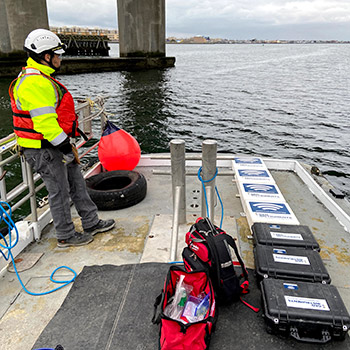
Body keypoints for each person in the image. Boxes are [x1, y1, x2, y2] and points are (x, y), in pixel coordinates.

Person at [9, 28, 115, 247]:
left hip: (55, 145)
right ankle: (66, 235)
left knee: (77, 182)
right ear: (45, 56)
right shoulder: (35, 83)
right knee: (59, 191)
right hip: (44, 148)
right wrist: (65, 145)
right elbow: (45, 123)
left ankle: (91, 222)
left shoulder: (40, 78)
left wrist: (65, 146)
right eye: (56, 54)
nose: (60, 58)